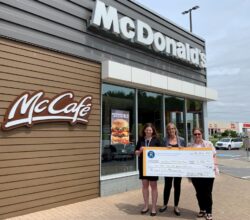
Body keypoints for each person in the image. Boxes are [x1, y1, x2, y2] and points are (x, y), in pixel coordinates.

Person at [188, 127, 219, 220]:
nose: (197, 135)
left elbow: (214, 156)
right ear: (193, 135)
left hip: (208, 173)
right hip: (195, 174)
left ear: (202, 134)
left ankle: (209, 212)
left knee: (207, 193)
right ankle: (202, 209)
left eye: (199, 134)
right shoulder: (190, 145)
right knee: (199, 193)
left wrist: (215, 165)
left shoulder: (208, 144)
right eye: (195, 134)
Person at [159, 122, 185, 216]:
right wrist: (165, 149)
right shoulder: (164, 140)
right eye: (169, 129)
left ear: (175, 129)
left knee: (177, 186)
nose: (171, 130)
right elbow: (160, 153)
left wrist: (182, 149)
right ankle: (165, 204)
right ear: (167, 130)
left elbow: (186, 154)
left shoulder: (182, 140)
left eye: (173, 128)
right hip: (168, 167)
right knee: (167, 186)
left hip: (178, 167)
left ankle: (176, 206)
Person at [135, 123, 161, 216]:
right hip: (143, 166)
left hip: (153, 167)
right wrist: (140, 150)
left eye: (150, 130)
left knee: (153, 186)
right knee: (145, 186)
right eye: (147, 130)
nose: (148, 131)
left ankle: (153, 207)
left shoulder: (156, 140)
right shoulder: (141, 140)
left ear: (153, 131)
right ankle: (146, 206)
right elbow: (136, 153)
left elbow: (161, 152)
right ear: (144, 130)